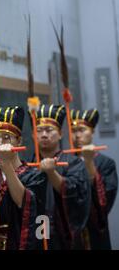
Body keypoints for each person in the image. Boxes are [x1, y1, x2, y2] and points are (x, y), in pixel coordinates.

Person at [0, 106, 47, 250]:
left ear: (19, 141)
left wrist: (5, 164)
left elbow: (23, 202)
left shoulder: (35, 175)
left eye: (6, 138)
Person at [29, 104, 90, 250]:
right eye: (39, 130)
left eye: (49, 130)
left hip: (64, 236)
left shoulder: (74, 162)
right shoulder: (28, 165)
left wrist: (51, 172)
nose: (44, 134)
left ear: (61, 133)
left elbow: (76, 196)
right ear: (33, 135)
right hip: (37, 230)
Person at [71, 108, 117, 249]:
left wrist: (89, 162)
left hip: (96, 231)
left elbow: (104, 203)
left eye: (82, 130)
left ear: (92, 132)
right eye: (73, 130)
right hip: (71, 232)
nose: (77, 135)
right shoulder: (67, 161)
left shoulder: (106, 163)